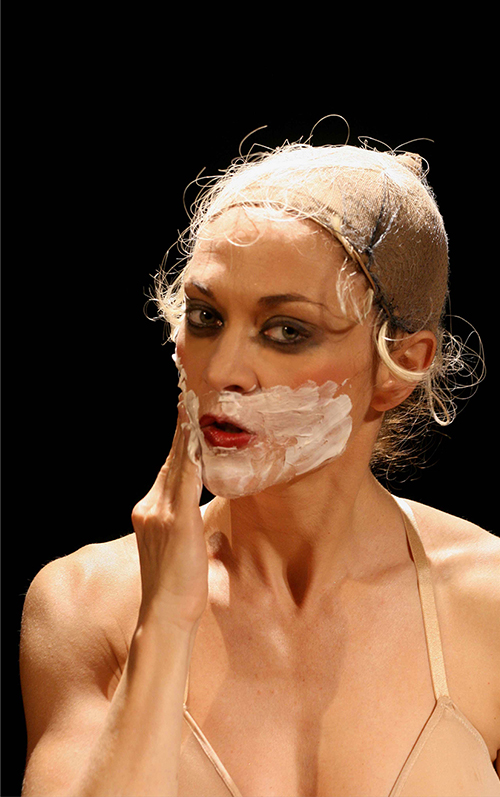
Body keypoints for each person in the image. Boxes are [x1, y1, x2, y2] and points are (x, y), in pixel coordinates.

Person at [20, 140, 500, 797]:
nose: (223, 371)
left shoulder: (490, 604)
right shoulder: (86, 604)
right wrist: (163, 626)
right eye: (206, 317)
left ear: (400, 366)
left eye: (287, 331)